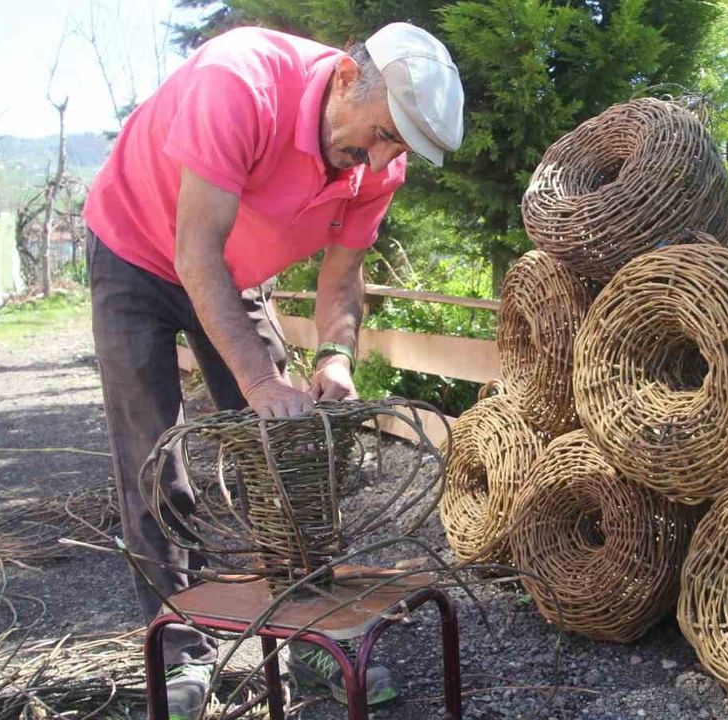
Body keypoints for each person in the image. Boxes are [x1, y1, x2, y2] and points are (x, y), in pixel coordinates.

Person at [82, 21, 464, 719]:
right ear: (347, 81)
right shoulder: (239, 82)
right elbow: (193, 253)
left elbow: (342, 278)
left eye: (399, 147)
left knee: (288, 451)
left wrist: (336, 356)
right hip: (137, 250)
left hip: (228, 269)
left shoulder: (378, 163)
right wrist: (259, 381)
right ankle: (181, 657)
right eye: (381, 134)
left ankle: (308, 637)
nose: (381, 160)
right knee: (153, 463)